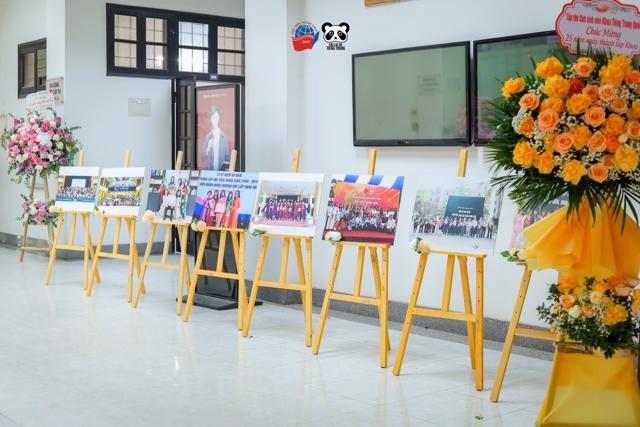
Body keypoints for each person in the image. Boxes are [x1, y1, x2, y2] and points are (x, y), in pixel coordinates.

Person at [200, 106, 231, 171]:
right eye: (213, 118)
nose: (215, 120)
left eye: (216, 117)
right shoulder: (207, 137)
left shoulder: (224, 137)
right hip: (210, 173)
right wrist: (207, 149)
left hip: (221, 173)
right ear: (210, 119)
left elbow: (227, 158)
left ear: (218, 118)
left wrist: (226, 172)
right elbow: (202, 157)